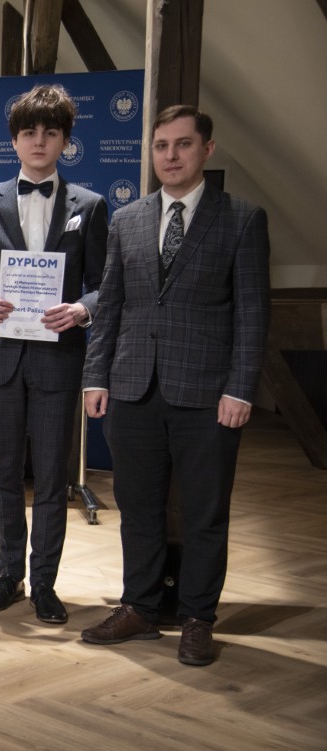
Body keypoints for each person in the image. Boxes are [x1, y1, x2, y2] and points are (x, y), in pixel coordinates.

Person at [80, 105, 270, 666]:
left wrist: (241, 388)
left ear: (206, 149)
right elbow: (111, 305)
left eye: (183, 144)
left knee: (205, 513)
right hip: (133, 387)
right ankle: (139, 607)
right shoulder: (127, 220)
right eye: (161, 145)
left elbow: (252, 313)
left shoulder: (242, 219)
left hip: (209, 396)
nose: (171, 155)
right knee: (138, 509)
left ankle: (197, 618)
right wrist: (96, 375)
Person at [0, 84, 108, 624]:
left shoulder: (89, 206)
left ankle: (44, 582)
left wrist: (82, 309)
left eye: (51, 132)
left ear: (65, 140)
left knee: (50, 477)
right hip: (0, 358)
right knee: (4, 474)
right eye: (29, 132)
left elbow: (104, 284)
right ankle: (9, 576)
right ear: (14, 140)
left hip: (58, 359)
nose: (39, 141)